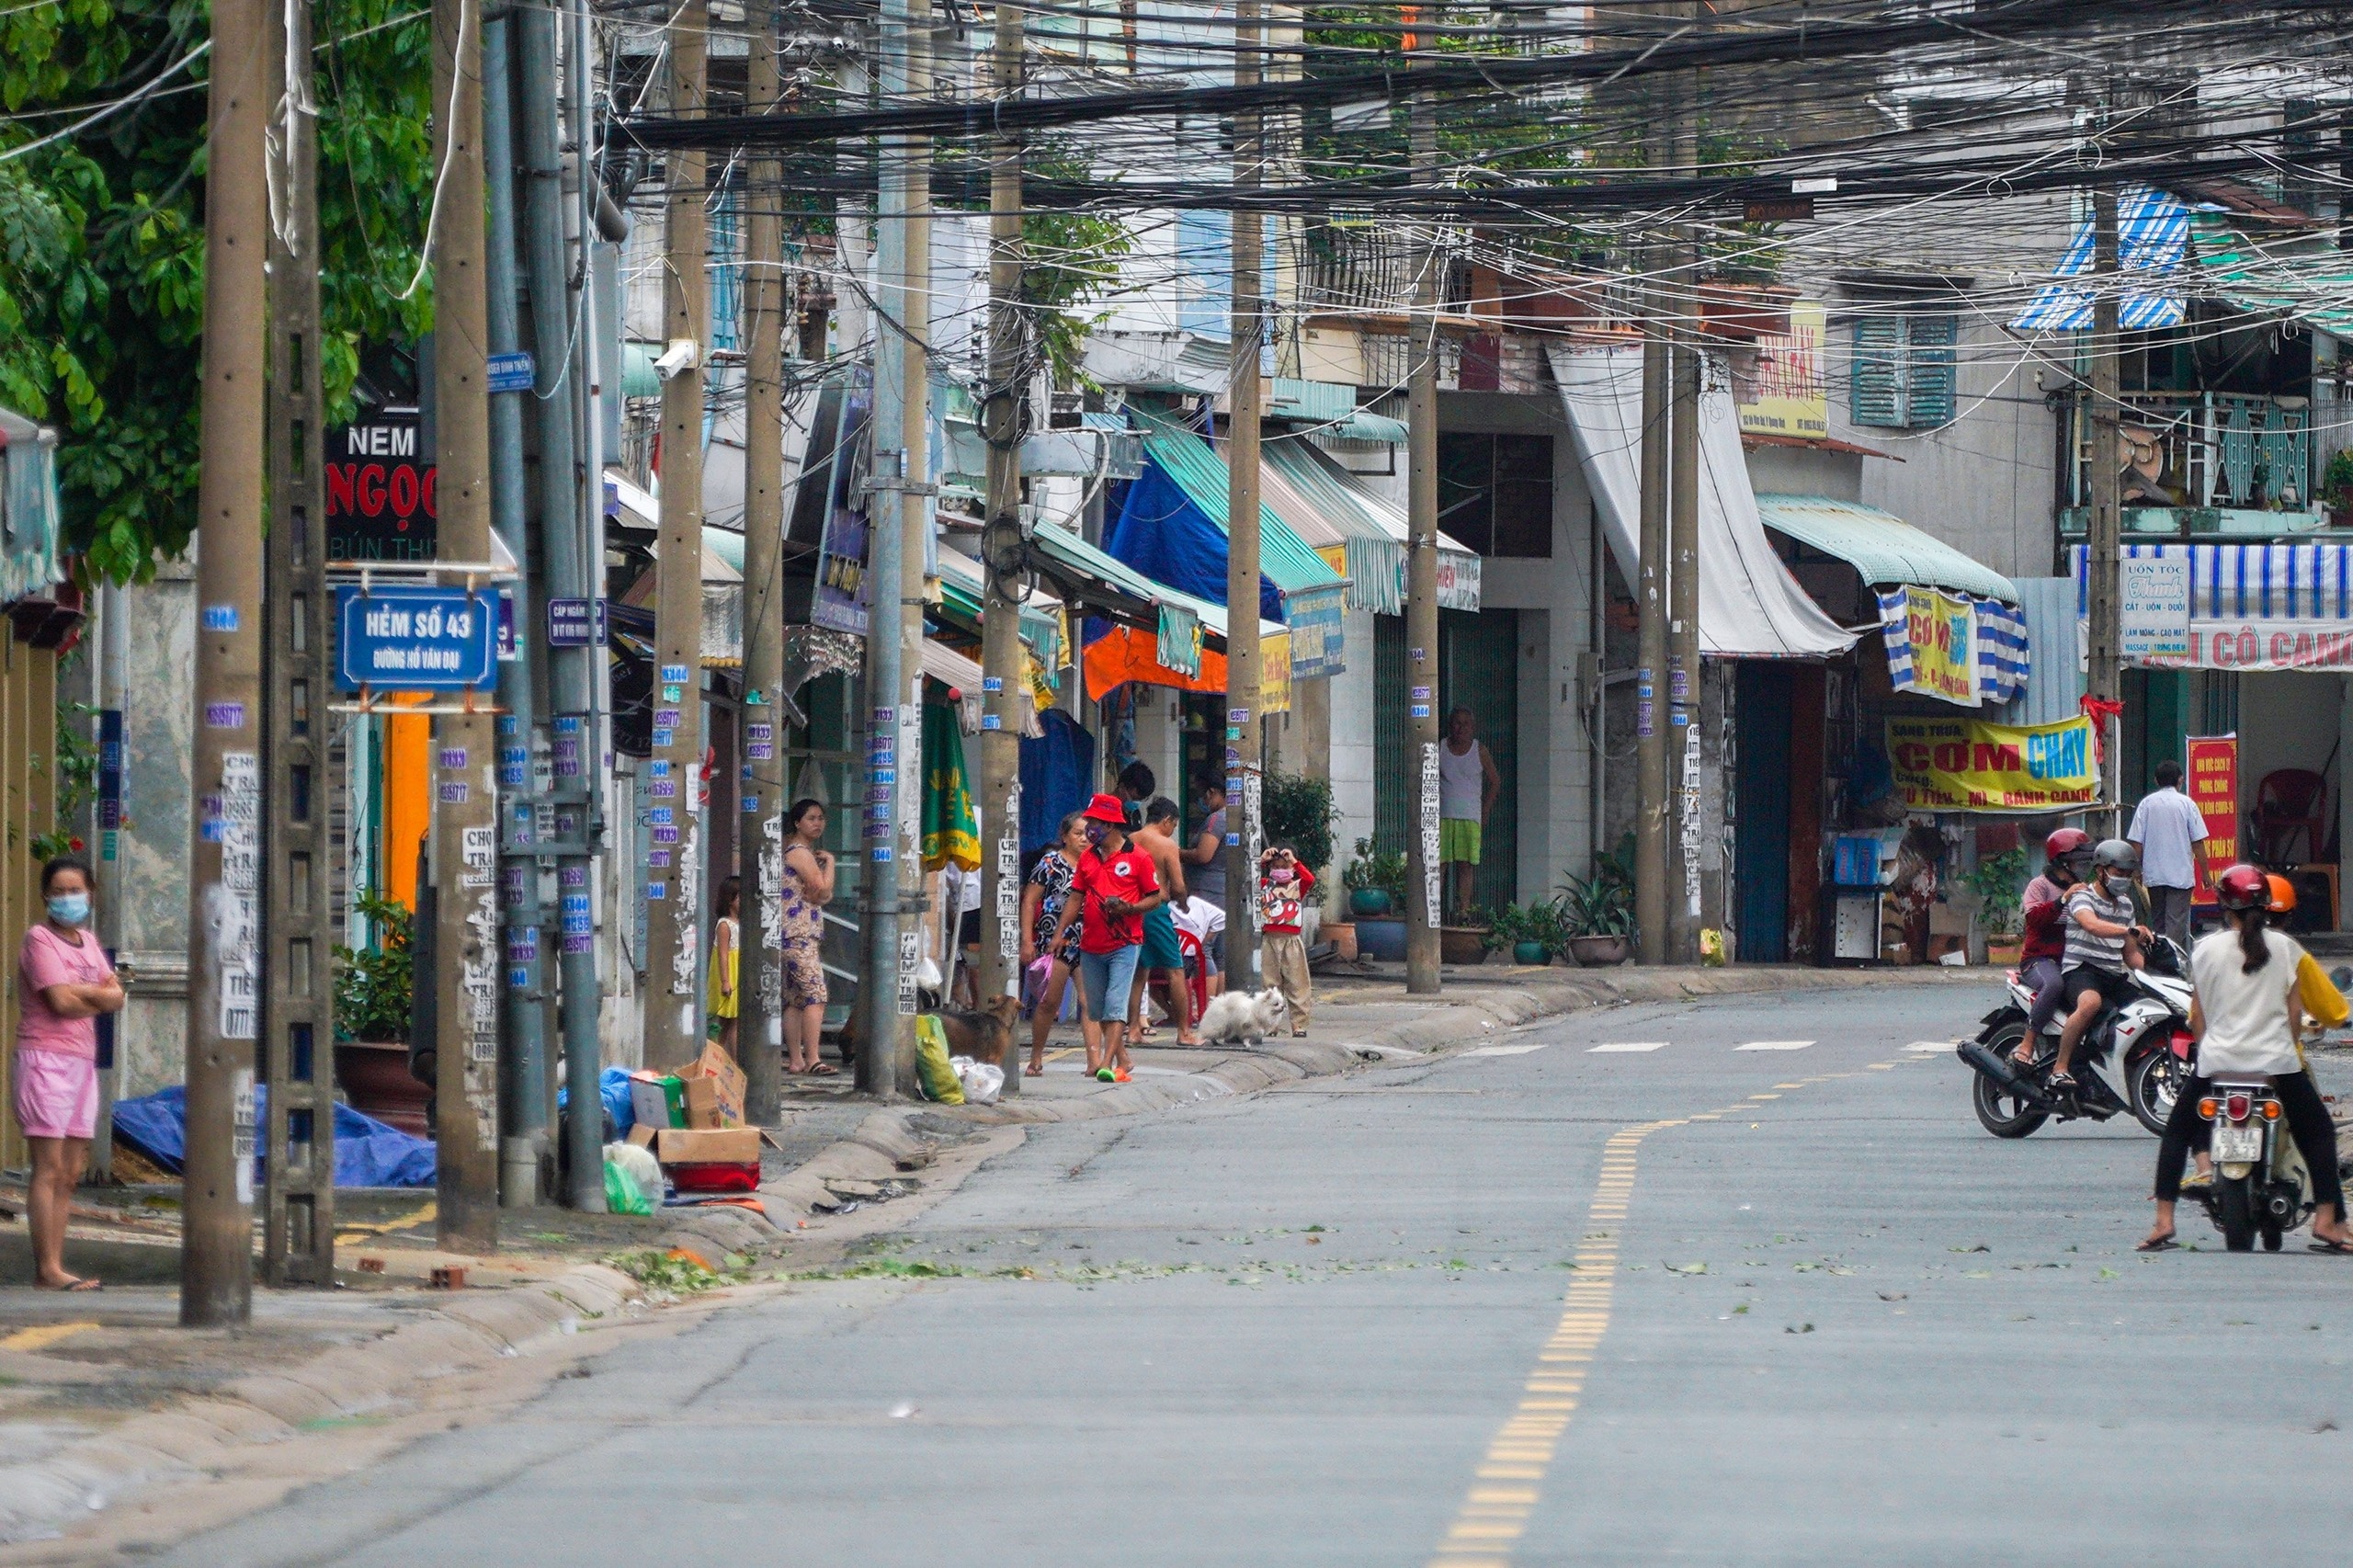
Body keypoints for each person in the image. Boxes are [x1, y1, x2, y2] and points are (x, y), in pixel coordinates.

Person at [2142, 862, 2353, 1253]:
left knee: (2177, 1131)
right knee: (2319, 1133)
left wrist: (2209, 1057)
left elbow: (2199, 1017)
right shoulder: (2287, 949)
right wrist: (2284, 1055)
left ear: (2224, 906)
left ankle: (2163, 1222)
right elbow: (2293, 1018)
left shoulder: (2204, 950)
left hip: (2217, 1063)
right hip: (2275, 1064)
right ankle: (2327, 1221)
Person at [17, 856, 123, 1290]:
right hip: (45, 1060)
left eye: (74, 890)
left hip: (82, 1063)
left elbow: (115, 998)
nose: (66, 899)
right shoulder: (38, 940)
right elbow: (59, 1003)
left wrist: (89, 993)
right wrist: (94, 994)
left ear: (90, 894)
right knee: (47, 1168)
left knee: (70, 1173)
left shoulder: (89, 942)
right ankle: (47, 1268)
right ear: (45, 896)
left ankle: (56, 1264)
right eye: (57, 891)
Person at [1050, 793, 1165, 1084]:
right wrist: (1059, 932)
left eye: (1095, 823)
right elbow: (1076, 897)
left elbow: (1155, 897)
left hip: (1125, 942)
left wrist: (1130, 908)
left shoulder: (1138, 857)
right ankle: (1124, 1057)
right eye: (1089, 822)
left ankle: (1105, 1062)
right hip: (1091, 943)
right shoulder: (1088, 857)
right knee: (1098, 1008)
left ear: (1112, 824)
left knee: (1115, 1004)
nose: (1090, 829)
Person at [2048, 837, 2150, 1099]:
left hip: (2112, 974)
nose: (2124, 879)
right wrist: (2130, 930)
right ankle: (2060, 1067)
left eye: (2129, 874)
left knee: (2148, 1009)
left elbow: (2130, 955)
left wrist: (2157, 976)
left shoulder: (2126, 904)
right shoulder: (2082, 896)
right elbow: (2091, 925)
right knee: (2091, 1004)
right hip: (2081, 970)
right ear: (2101, 871)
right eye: (2119, 873)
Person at [2012, 828, 2093, 1063]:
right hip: (2039, 960)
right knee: (2054, 984)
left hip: (2072, 960)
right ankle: (2027, 1044)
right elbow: (2035, 920)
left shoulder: (2084, 888)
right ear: (2062, 862)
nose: (2083, 867)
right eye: (2079, 861)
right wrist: (2063, 899)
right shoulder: (2040, 886)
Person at [1021, 813, 1092, 1077]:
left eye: (1088, 834)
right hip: (1054, 943)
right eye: (1078, 833)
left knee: (1089, 1001)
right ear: (1064, 836)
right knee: (1050, 1002)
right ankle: (1036, 1057)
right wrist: (1027, 940)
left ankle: (1093, 1060)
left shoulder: (1095, 861)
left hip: (1088, 940)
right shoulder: (1050, 863)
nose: (1084, 839)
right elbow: (1029, 901)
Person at [1128, 798, 1201, 1046]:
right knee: (1176, 970)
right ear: (1167, 820)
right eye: (1174, 824)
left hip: (1131, 908)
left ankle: (1133, 1030)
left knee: (1138, 972)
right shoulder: (1165, 844)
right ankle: (1184, 1032)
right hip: (1156, 907)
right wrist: (1183, 903)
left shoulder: (1130, 840)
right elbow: (1178, 885)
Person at [779, 799, 837, 1076]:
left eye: (821, 818)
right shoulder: (800, 852)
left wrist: (821, 892)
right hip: (799, 933)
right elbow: (822, 890)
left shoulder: (798, 852)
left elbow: (820, 894)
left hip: (791, 933)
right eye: (811, 818)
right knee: (816, 995)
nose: (818, 823)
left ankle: (796, 1059)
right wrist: (832, 865)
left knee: (795, 999)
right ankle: (813, 1058)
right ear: (797, 822)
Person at [2128, 757, 2209, 948]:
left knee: (2158, 923)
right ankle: (2173, 963)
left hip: (2155, 876)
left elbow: (2136, 842)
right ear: (2180, 780)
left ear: (2156, 781)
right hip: (2180, 877)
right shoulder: (2187, 804)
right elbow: (2198, 842)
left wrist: (2135, 869)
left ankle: (2158, 960)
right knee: (2176, 926)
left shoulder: (2146, 804)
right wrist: (2206, 873)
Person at [1438, 707, 1501, 917]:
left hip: (1470, 817)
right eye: (1457, 723)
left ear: (1473, 727)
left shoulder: (1479, 750)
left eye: (1466, 724)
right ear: (1450, 726)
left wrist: (1485, 812)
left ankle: (1463, 911)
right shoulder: (1440, 748)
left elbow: (1495, 782)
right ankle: (1435, 911)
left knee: (1466, 866)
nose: (1461, 728)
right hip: (1443, 816)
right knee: (1440, 864)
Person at [1258, 844, 1314, 1037]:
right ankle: (1270, 1024)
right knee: (1269, 983)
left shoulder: (1297, 886)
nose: (1280, 871)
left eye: (1285, 866)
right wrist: (1262, 861)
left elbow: (1309, 878)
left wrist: (1294, 862)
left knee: (1298, 984)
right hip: (1269, 940)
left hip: (1292, 941)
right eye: (1276, 867)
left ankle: (1298, 1024)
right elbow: (1246, 879)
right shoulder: (1264, 885)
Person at [1183, 778, 1228, 994]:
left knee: (1203, 948)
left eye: (1203, 796)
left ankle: (1207, 1007)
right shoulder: (1235, 817)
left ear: (1212, 792)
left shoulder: (1216, 820)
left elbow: (1203, 855)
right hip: (1224, 890)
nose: (1203, 801)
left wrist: (1174, 853)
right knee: (1220, 953)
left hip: (1208, 891)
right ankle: (1218, 1006)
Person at [707, 875, 741, 1054]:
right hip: (728, 974)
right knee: (726, 1022)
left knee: (733, 1021)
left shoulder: (740, 923)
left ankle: (723, 1057)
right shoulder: (725, 925)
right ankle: (729, 1059)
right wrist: (725, 980)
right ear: (730, 899)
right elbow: (722, 953)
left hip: (737, 971)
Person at [1115, 759, 1156, 834]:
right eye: (1133, 798)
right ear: (1121, 787)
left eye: (1140, 800)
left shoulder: (1135, 814)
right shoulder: (1105, 810)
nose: (1136, 803)